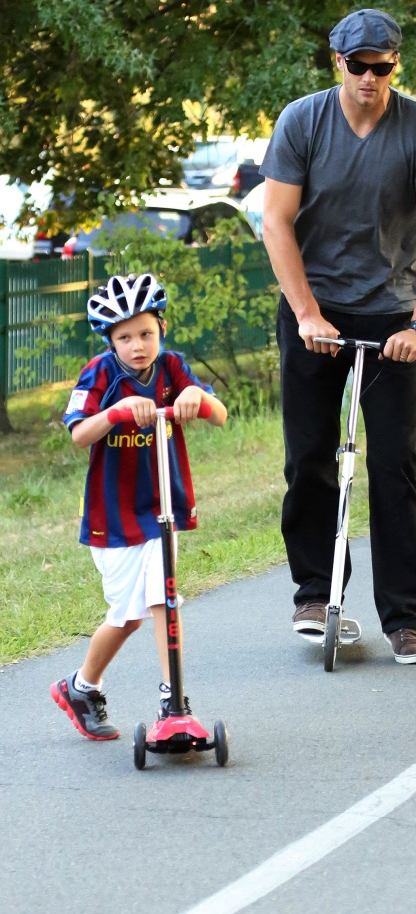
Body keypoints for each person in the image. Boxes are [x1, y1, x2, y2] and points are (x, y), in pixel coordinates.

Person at [261, 9, 416, 664]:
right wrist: (309, 313)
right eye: (359, 65)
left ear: (395, 65)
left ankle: (405, 617)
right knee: (310, 458)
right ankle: (316, 595)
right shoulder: (303, 121)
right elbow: (277, 224)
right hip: (314, 309)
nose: (371, 78)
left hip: (391, 316)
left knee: (396, 466)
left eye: (384, 67)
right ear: (336, 60)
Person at [50, 273, 227, 740]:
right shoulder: (101, 373)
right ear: (110, 342)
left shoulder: (172, 368)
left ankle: (174, 700)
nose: (137, 346)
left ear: (161, 329)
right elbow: (77, 434)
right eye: (125, 338)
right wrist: (115, 413)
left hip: (160, 509)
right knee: (126, 616)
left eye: (146, 333)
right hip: (114, 517)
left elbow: (219, 413)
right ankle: (81, 686)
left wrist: (197, 396)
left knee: (162, 600)